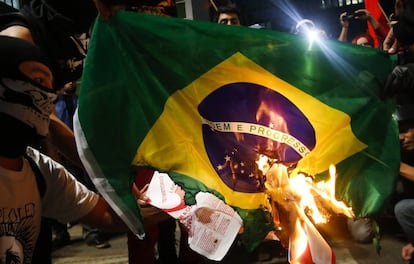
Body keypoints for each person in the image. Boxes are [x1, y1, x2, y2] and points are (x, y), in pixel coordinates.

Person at [0, 34, 129, 264]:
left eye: (50, 88)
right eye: (38, 81)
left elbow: (109, 217)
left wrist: (180, 205)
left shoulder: (40, 172)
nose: (47, 97)